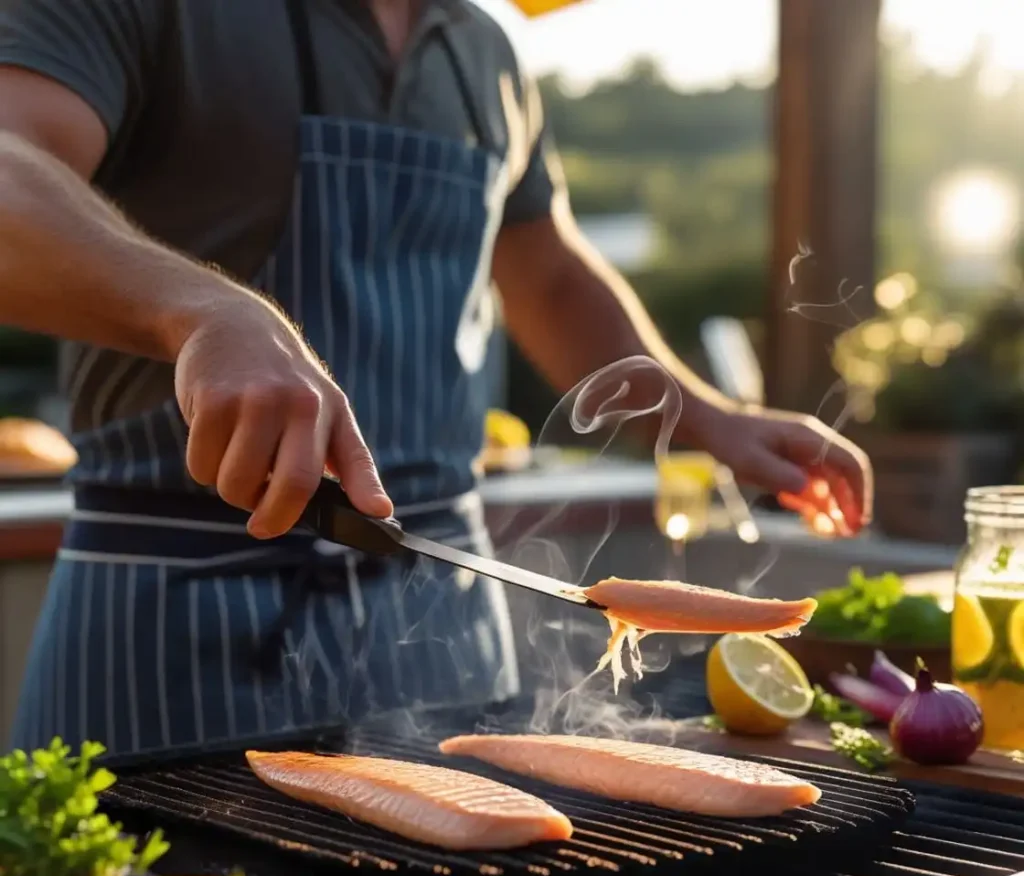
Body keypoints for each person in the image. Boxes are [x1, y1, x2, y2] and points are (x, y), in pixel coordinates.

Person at [0, 0, 871, 758]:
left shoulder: (484, 50)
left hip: (441, 612)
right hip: (173, 617)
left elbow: (550, 275)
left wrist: (707, 417)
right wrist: (199, 309)